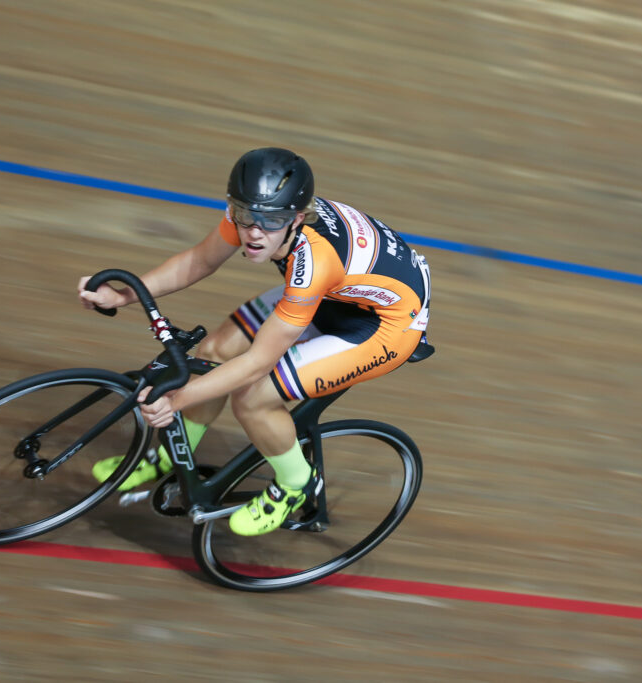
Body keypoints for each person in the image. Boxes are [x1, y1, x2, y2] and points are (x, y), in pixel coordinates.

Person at [78, 147, 431, 536]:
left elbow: (257, 363)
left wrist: (175, 401)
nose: (255, 232)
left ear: (297, 218)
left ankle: (295, 484)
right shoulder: (256, 212)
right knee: (213, 352)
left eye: (271, 221)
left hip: (385, 327)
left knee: (254, 397)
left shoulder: (313, 261)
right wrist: (123, 295)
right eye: (245, 217)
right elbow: (199, 261)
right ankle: (169, 456)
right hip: (338, 294)